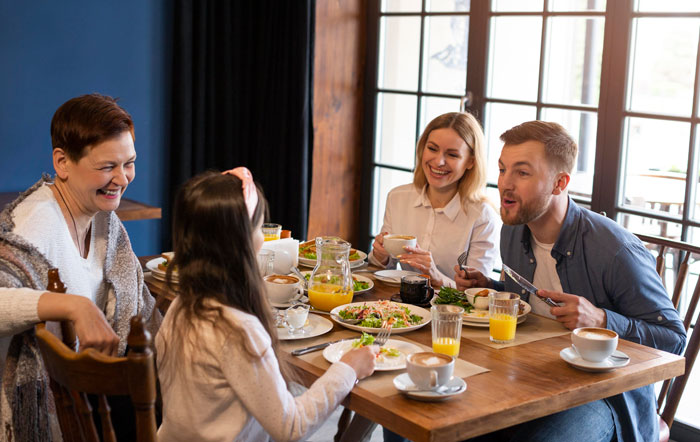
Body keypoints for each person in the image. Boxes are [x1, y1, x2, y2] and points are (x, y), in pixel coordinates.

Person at [455, 121, 686, 442]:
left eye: (522, 173)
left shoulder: (616, 250)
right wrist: (490, 288)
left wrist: (602, 320)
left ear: (559, 183)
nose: (504, 183)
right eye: (502, 169)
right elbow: (528, 302)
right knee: (445, 420)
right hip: (531, 375)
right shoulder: (513, 230)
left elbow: (674, 341)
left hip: (604, 397)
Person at [155, 169, 378, 441]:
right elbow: (291, 426)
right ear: (241, 241)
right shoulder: (237, 329)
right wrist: (347, 368)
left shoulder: (180, 306)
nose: (262, 238)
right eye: (259, 227)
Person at [0, 93, 162, 439]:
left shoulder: (103, 220)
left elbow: (146, 314)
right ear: (62, 162)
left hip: (86, 396)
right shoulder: (32, 227)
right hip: (54, 412)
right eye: (107, 167)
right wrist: (75, 306)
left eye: (129, 163)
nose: (122, 178)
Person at [369, 112, 501, 288]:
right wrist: (380, 256)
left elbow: (477, 293)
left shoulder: (483, 216)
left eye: (452, 155)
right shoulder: (397, 198)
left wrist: (436, 277)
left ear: (471, 162)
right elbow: (383, 269)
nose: (439, 161)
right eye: (432, 148)